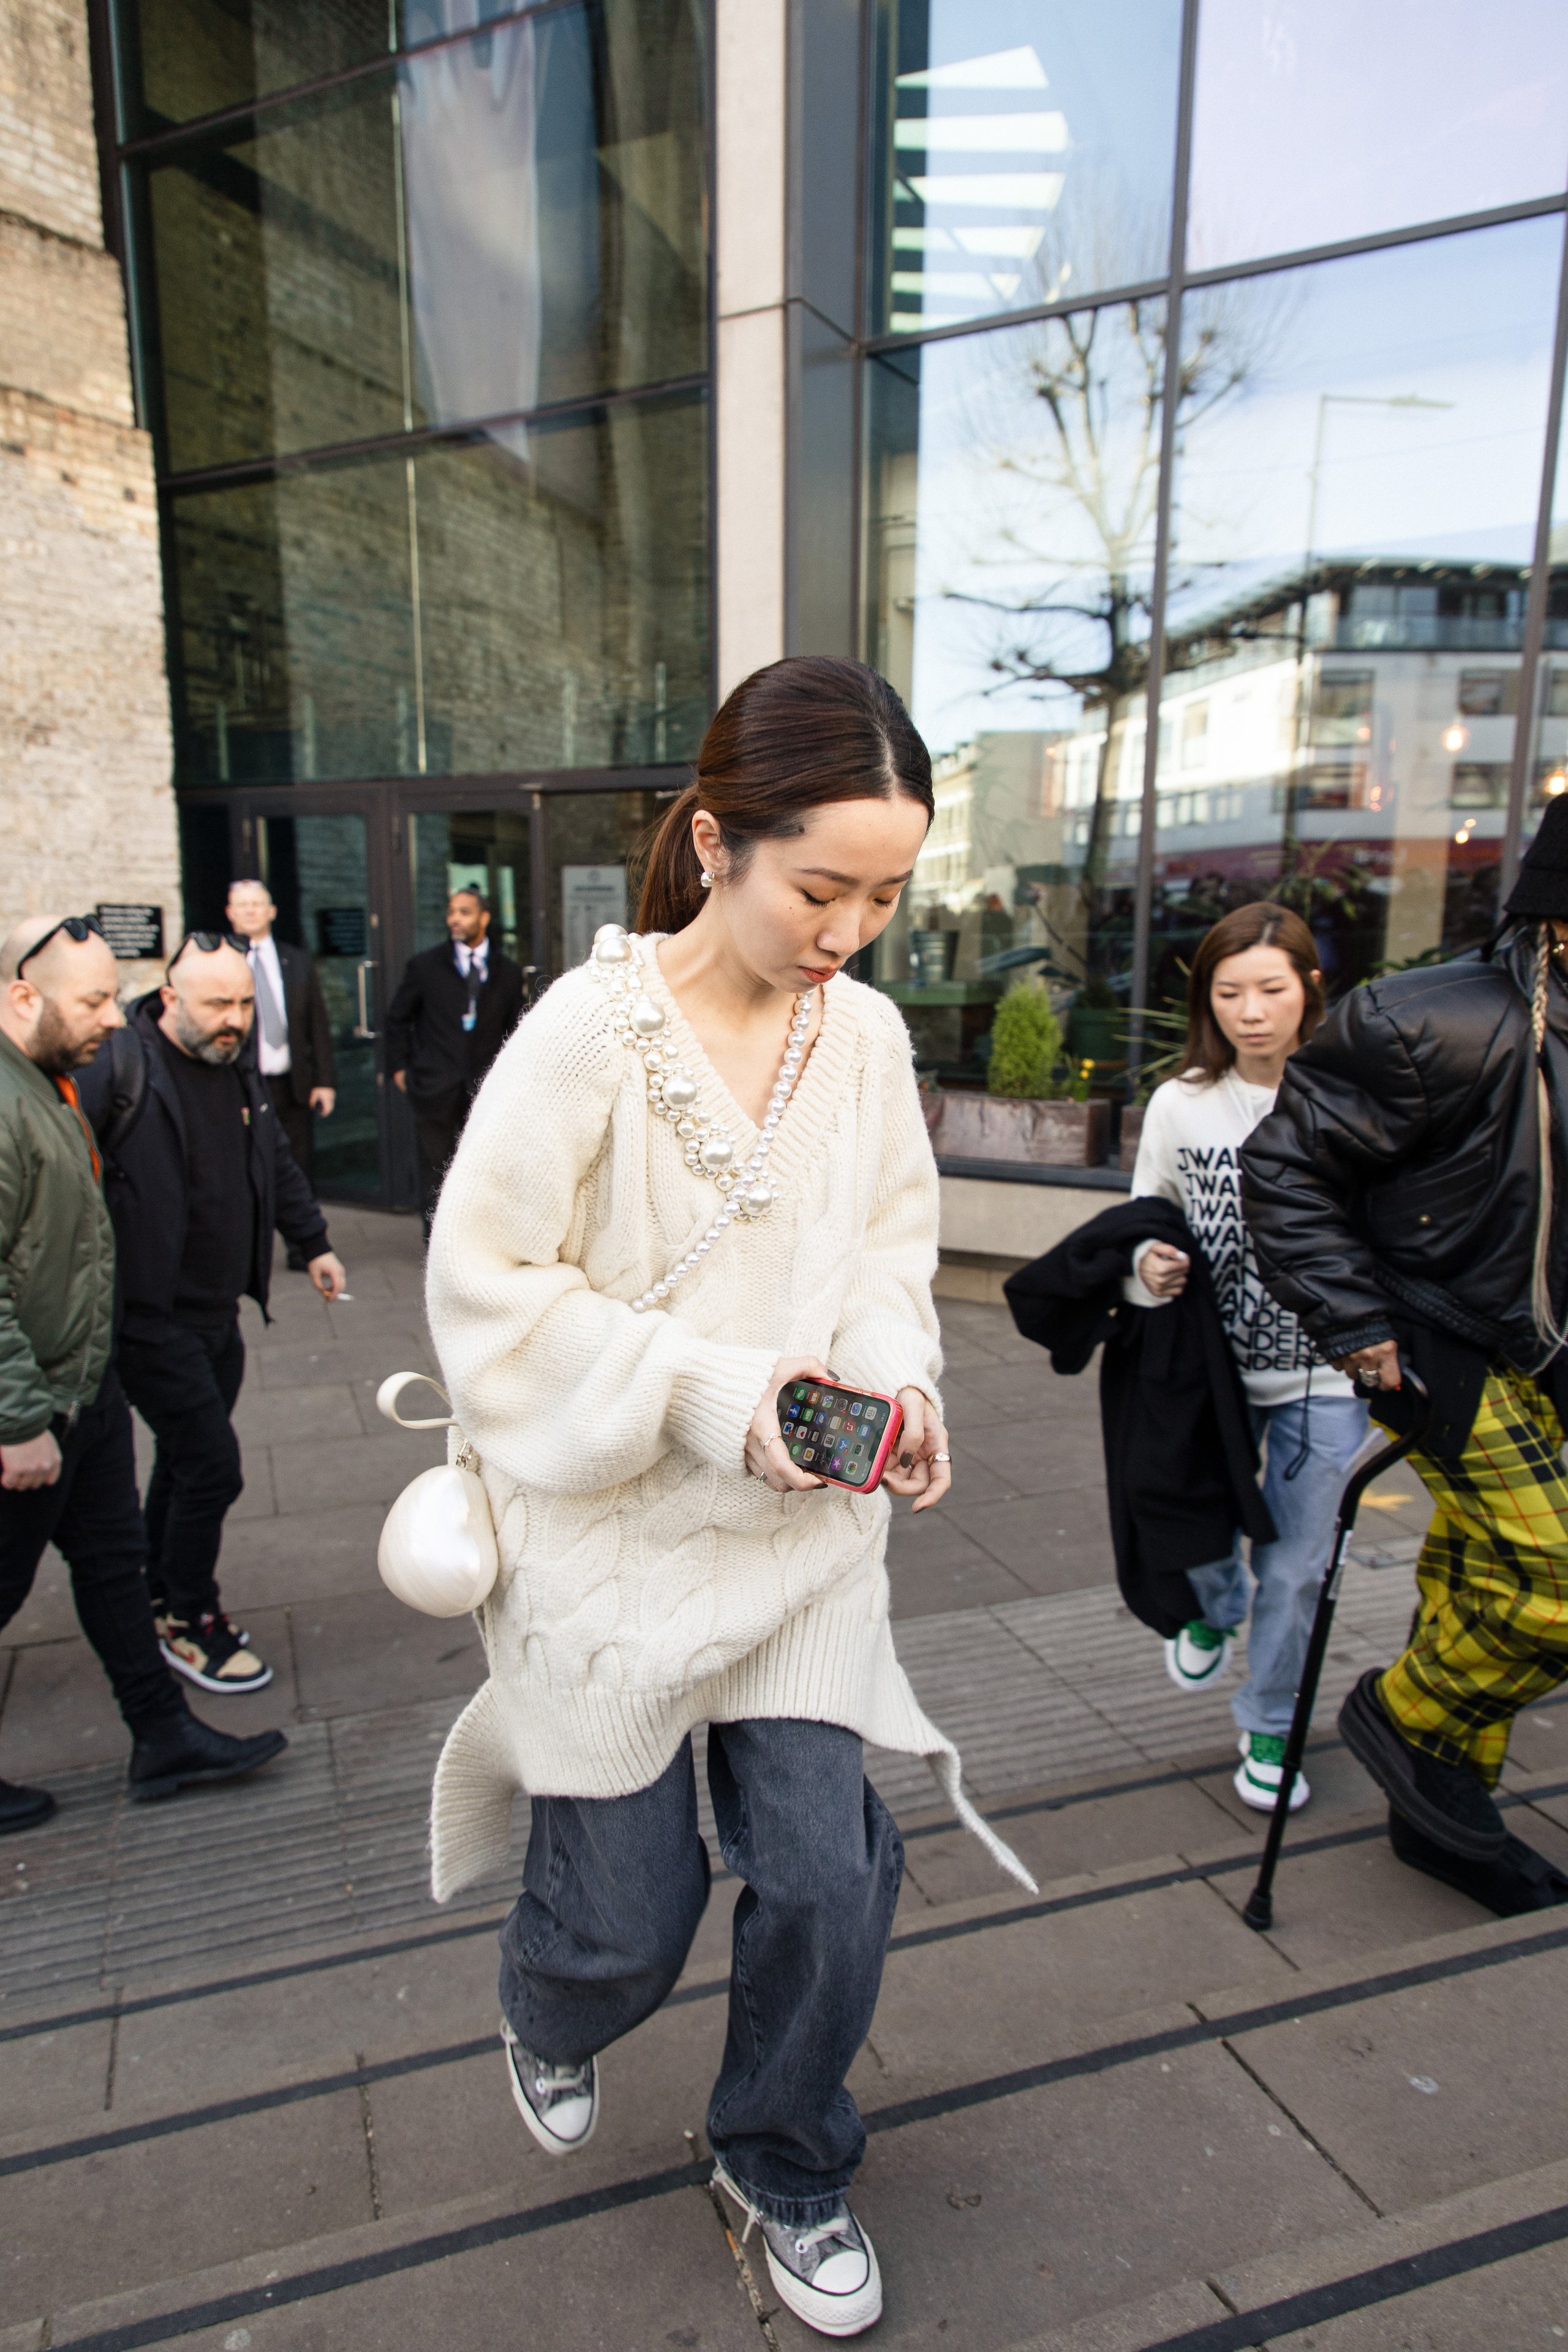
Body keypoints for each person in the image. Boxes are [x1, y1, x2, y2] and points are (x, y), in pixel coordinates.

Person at [423, 657, 1031, 2340]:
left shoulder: (871, 1037)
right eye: (821, 885)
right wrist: (704, 1392)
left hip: (802, 1542)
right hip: (607, 1537)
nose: (852, 927)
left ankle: (782, 2159)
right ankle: (551, 2001)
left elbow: (894, 1251)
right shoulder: (585, 1035)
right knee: (626, 1925)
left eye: (889, 894)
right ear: (718, 842)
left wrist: (898, 1390)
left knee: (830, 1878)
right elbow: (487, 1292)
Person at [1242, 803, 1568, 1917]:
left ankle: (1443, 1819)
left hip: (1548, 1346)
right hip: (1437, 1337)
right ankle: (1413, 1720)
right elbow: (1282, 1173)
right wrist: (1363, 1329)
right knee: (1559, 1580)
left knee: (1487, 1567)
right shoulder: (1431, 1021)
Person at [0, 915, 286, 1831]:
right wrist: (16, 1419)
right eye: (90, 1001)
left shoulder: (52, 1086)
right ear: (22, 998)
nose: (109, 1020)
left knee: (117, 1567)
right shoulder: (16, 1101)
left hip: (85, 1389)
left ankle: (162, 1736)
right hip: (35, 1404)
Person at [1126, 903, 1369, 1812]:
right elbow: (1144, 1213)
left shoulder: (1357, 1097)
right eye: (1229, 992)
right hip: (1209, 1371)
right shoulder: (1180, 1103)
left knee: (1301, 1565)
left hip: (1327, 1376)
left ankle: (1270, 1717)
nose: (1251, 1011)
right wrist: (1146, 1265)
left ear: (1310, 988)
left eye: (1271, 989)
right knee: (1187, 1515)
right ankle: (1212, 1606)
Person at [78, 935, 347, 1698]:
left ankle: (160, 1593)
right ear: (170, 1000)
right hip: (144, 1315)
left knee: (186, 1460)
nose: (233, 1019)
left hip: (216, 1309)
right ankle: (188, 1617)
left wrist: (314, 1241)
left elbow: (274, 1160)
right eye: (215, 1004)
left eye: (242, 1003)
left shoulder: (237, 1069)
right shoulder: (121, 1067)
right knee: (214, 1466)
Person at [387, 889, 526, 1236]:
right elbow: (397, 1020)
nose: (455, 919)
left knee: (483, 1165)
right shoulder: (425, 966)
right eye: (452, 912)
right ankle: (436, 1240)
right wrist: (400, 1069)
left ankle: (476, 1238)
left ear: (484, 918)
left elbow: (517, 1029)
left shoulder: (508, 972)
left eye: (464, 912)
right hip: (434, 1084)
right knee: (435, 1166)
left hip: (486, 1088)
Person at [225, 880, 337, 1254]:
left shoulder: (296, 959)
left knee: (298, 1165)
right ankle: (246, 1248)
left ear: (272, 911)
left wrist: (325, 1080)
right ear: (230, 914)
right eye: (242, 905)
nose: (251, 911)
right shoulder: (221, 961)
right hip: (242, 1084)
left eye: (258, 903)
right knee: (242, 1167)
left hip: (293, 1083)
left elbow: (317, 1024)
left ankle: (301, 1246)